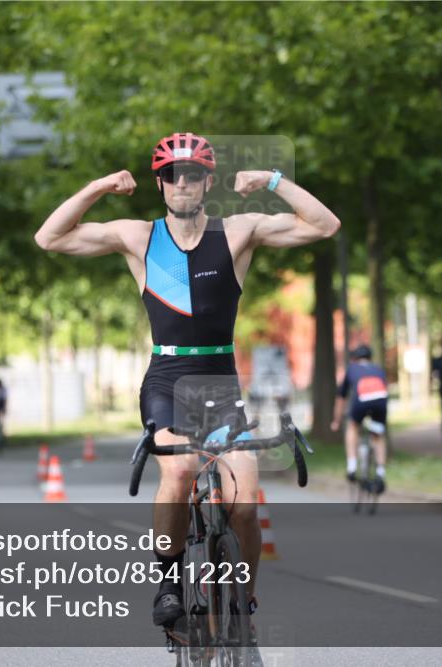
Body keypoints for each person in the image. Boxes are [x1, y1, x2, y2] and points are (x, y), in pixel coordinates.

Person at [35, 133, 340, 650]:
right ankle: (170, 581)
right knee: (177, 472)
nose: (183, 184)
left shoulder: (238, 232)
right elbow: (50, 238)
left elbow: (325, 225)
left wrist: (271, 180)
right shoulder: (138, 236)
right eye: (173, 176)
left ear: (207, 181)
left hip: (220, 382)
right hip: (166, 379)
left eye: (193, 174)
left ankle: (242, 603)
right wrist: (98, 187)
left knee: (243, 500)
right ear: (160, 184)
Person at [331, 344, 388, 494]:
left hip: (362, 400)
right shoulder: (378, 369)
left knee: (352, 427)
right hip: (380, 400)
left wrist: (336, 421)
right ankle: (381, 472)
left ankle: (352, 466)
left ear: (355, 358)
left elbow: (341, 398)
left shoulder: (351, 369)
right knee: (378, 435)